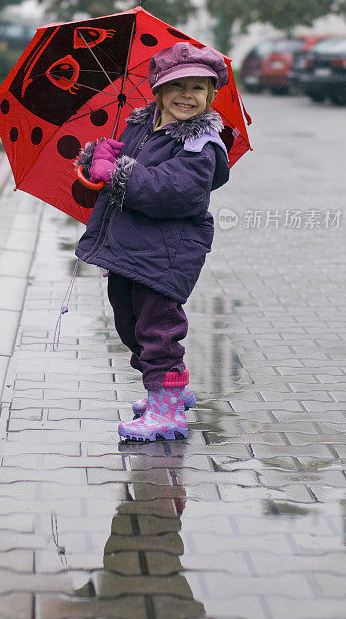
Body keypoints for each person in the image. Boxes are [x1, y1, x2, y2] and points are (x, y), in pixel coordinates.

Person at [75, 41, 230, 442]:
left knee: (158, 329)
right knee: (128, 321)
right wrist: (99, 156)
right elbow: (115, 166)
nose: (187, 96)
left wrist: (119, 172)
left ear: (211, 96)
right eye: (178, 86)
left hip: (166, 251)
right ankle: (167, 389)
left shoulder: (200, 145)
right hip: (129, 247)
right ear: (158, 91)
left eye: (199, 88)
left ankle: (167, 406)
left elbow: (175, 191)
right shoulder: (141, 125)